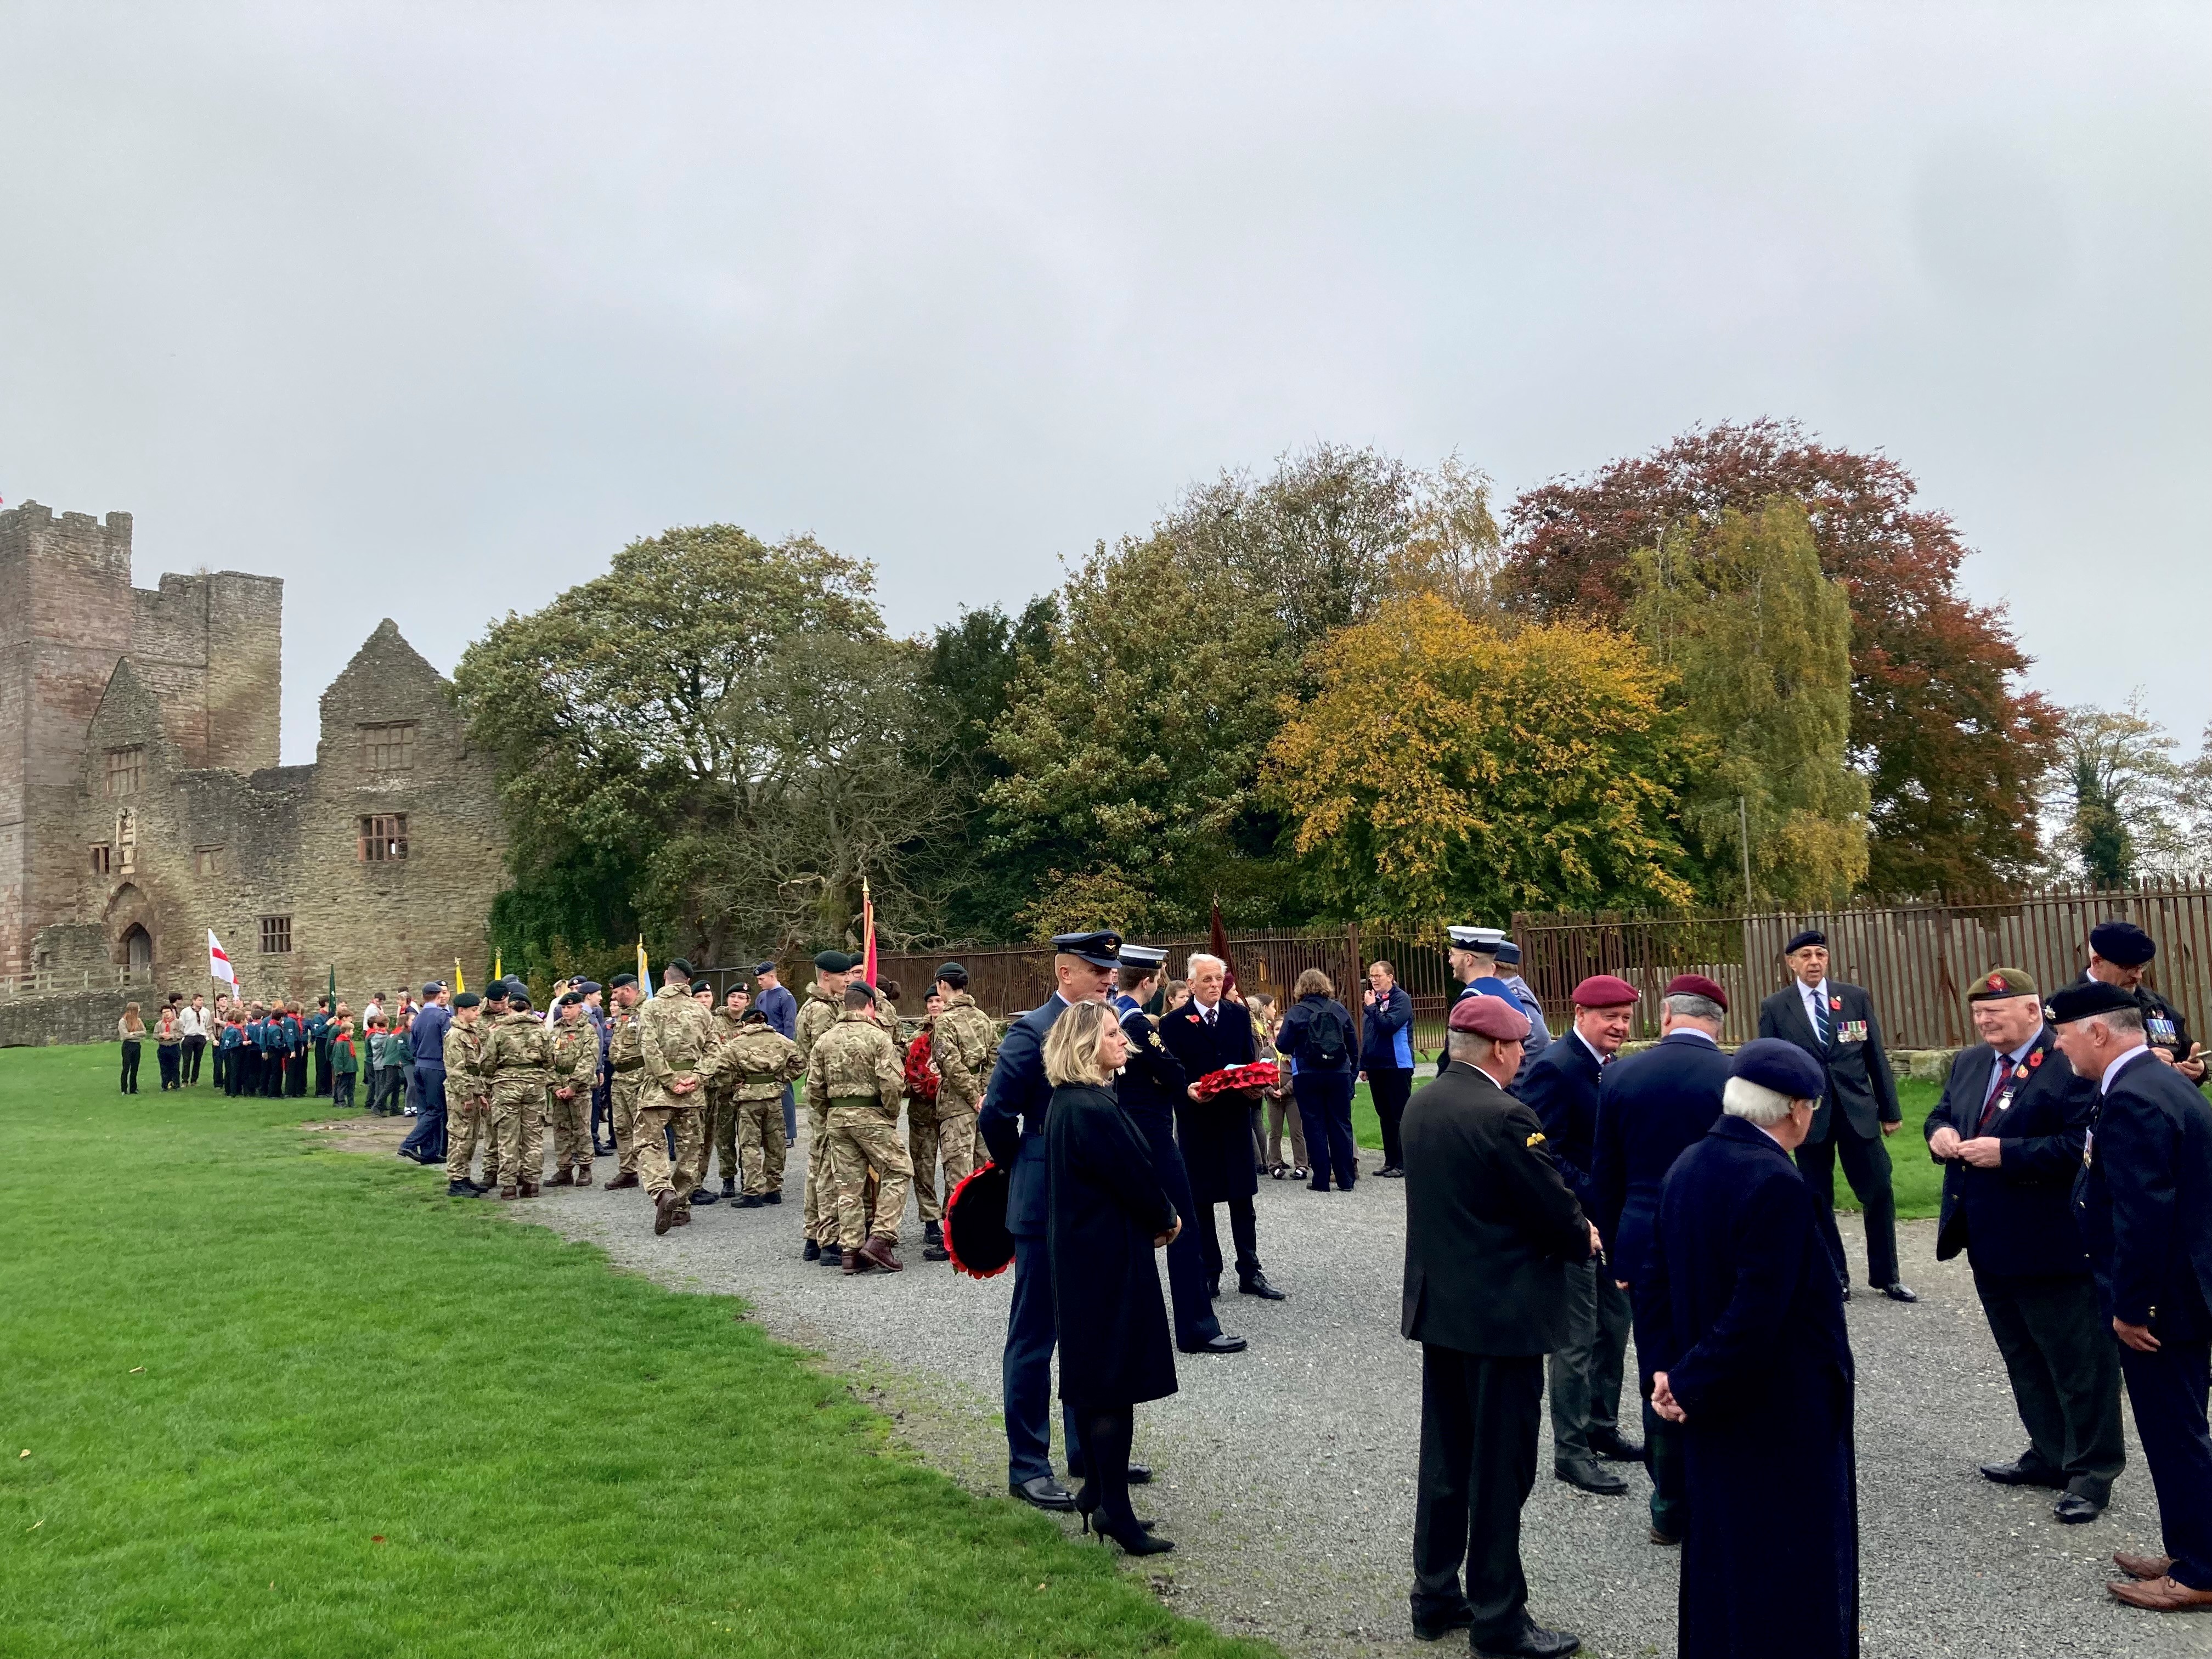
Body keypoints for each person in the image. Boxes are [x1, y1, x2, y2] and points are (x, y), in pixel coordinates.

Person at [1645, 1039, 1858, 1659]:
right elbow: (1758, 1315)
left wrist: (1667, 1369)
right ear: (1796, 1109)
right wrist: (1687, 1382)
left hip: (1710, 1399)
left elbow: (1653, 1277)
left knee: (1723, 1554)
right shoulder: (1773, 1184)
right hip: (1773, 1408)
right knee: (1786, 1566)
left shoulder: (1690, 1162)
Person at [1403, 993, 1593, 1659]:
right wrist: (1584, 1235)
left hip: (1443, 1310)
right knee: (1500, 1470)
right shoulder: (1508, 1116)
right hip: (1503, 1315)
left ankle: (1434, 1594)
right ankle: (1500, 1619)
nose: (1521, 1058)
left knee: (1447, 1460)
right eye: (1518, 1048)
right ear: (1502, 1051)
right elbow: (1553, 1209)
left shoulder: (1421, 1104)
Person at [1924, 967, 2120, 1524]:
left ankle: (2093, 1471)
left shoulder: (2068, 1063)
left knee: (2079, 1362)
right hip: (1987, 1239)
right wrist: (1938, 1135)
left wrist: (2008, 1154)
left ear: (2033, 1013)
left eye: (1997, 1012)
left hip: (2051, 1240)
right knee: (2024, 1357)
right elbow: (1943, 1112)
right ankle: (2049, 1453)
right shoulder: (1970, 1061)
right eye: (1980, 1013)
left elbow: (2083, 1144)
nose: (1985, 1021)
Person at [2052, 980, 2212, 1612]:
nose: (2060, 1047)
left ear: (2097, 1031)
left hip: (2163, 1303)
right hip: (2177, 1292)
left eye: (2063, 1035)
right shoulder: (2151, 1080)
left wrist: (2132, 1306)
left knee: (2176, 1433)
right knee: (2179, 1428)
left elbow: (2146, 1215)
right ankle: (2193, 1546)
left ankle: (2200, 1571)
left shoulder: (2137, 1097)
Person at [979, 931, 1124, 1510]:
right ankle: (1028, 1464)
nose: (1108, 977)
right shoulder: (1031, 1031)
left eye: (1110, 969)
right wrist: (1023, 1164)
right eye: (1097, 970)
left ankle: (1089, 1450)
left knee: (1089, 1331)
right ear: (1066, 973)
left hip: (1092, 1202)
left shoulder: (1110, 1024)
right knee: (1036, 1337)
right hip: (1043, 1200)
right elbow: (996, 1113)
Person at [1590, 973, 1733, 1547]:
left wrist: (1620, 1250)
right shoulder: (1735, 1076)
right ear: (1717, 1023)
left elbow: (1608, 1176)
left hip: (1645, 1237)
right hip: (1718, 1235)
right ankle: (1721, 1491)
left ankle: (1669, 1501)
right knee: (1720, 1354)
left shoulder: (1621, 1074)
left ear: (1667, 1016)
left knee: (1660, 1366)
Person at [1043, 998, 1181, 1557]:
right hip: (1105, 1259)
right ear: (1085, 1046)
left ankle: (1099, 1491)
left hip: (1088, 1253)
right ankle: (1114, 1512)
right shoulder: (1091, 1110)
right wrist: (1166, 1217)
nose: (1123, 1042)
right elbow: (1136, 1176)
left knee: (1102, 1376)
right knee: (1112, 1384)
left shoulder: (1070, 1103)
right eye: (1111, 1035)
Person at [1518, 975, 1641, 1498]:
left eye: (1626, 1017)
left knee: (1614, 1329)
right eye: (1609, 1016)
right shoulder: (1557, 1064)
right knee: (1574, 1339)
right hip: (1574, 1224)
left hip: (1611, 1225)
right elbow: (1541, 1151)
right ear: (1581, 1014)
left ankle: (1601, 1426)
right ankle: (1571, 1452)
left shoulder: (1608, 1066)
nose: (1619, 1025)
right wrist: (1591, 1200)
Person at [1757, 930, 1915, 1303]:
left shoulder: (1854, 998)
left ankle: (1887, 1276)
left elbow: (1875, 1055)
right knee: (1816, 1197)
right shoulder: (1776, 1007)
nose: (1814, 962)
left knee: (1878, 1190)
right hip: (1807, 1116)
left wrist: (1890, 1111)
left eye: (1821, 955)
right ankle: (1834, 1275)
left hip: (1857, 1111)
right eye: (1806, 956)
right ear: (1791, 963)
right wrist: (1776, 1120)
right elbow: (1769, 1064)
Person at [1114, 946, 1245, 1357]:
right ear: (1151, 981)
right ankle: (1196, 1327)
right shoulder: (1136, 1021)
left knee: (1131, 1226)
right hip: (1151, 1130)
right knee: (1181, 1223)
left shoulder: (1108, 1013)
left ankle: (1132, 1323)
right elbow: (1169, 1066)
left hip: (1121, 1127)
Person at [1159, 953, 1284, 1301]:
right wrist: (1188, 1095)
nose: (1215, 985)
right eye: (1208, 980)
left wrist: (1254, 1088)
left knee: (1243, 1198)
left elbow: (1248, 1058)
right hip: (1198, 1123)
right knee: (1202, 1202)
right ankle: (1209, 1271)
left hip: (1233, 1120)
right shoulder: (1173, 1023)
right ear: (1192, 985)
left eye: (1219, 979)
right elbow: (1171, 1075)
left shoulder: (1237, 1014)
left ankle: (1250, 1270)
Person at [807, 981, 912, 1273]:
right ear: (870, 1005)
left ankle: (851, 1251)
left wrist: (828, 1114)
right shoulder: (878, 1038)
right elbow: (892, 1082)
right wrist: (890, 1114)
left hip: (837, 1119)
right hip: (871, 1116)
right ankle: (881, 1237)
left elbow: (813, 1089)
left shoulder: (825, 1040)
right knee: (900, 1170)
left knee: (848, 1185)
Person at [634, 959, 721, 1233]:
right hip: (692, 1092)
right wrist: (696, 1078)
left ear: (665, 978)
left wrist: (670, 1080)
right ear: (687, 982)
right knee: (690, 1150)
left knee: (649, 1143)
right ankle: (681, 1205)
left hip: (659, 1089)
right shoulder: (703, 1013)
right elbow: (714, 1052)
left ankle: (662, 1192)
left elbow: (649, 1048)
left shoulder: (650, 1008)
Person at [2078, 919, 2209, 1084]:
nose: (2138, 976)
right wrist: (2139, 1065)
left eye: (2141, 967)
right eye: (2128, 968)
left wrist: (2198, 1070)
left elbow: (2184, 1053)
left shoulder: (2155, 1003)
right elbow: (2066, 1080)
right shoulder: (2068, 1009)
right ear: (2097, 962)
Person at [927, 962, 997, 1259]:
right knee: (984, 1169)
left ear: (943, 986)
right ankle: (988, 1231)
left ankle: (957, 1240)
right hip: (982, 1102)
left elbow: (950, 1065)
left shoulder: (945, 1021)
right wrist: (983, 1092)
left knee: (958, 1170)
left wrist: (971, 1095)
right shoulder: (983, 1018)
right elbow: (996, 1057)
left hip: (957, 1105)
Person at [796, 950, 855, 1265]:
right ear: (825, 976)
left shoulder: (830, 1005)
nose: (848, 980)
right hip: (828, 1099)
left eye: (849, 974)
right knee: (829, 1171)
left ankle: (813, 1237)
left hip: (825, 1097)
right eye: (842, 975)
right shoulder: (820, 1010)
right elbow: (829, 1058)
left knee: (818, 1168)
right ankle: (827, 1240)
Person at [1278, 968, 1359, 1192]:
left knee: (1314, 1125)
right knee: (1341, 1125)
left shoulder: (1297, 1012)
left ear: (1300, 988)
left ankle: (1321, 1180)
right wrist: (1350, 1075)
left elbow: (1282, 1045)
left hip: (1308, 1074)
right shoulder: (1339, 1009)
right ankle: (1346, 1179)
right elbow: (1353, 1046)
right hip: (1339, 1074)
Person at [719, 1007, 802, 1207]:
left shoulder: (735, 1044)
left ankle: (753, 1191)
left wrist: (738, 1082)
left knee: (750, 1146)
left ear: (746, 1024)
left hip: (748, 1101)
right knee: (775, 1144)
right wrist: (780, 1079)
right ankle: (774, 1189)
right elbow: (800, 1063)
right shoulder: (782, 1041)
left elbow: (720, 1070)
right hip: (774, 1099)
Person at [484, 983, 553, 1200]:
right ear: (529, 1009)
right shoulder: (542, 1031)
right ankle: (532, 1183)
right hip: (535, 1087)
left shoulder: (499, 1032)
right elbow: (551, 1060)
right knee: (533, 1136)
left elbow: (487, 1062)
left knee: (507, 1136)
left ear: (510, 1008)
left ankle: (508, 1186)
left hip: (506, 1088)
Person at [1361, 959, 1415, 1177]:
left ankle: (1403, 1162)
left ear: (1390, 977)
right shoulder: (1374, 1001)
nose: (1374, 979)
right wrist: (1364, 1064)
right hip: (1377, 1066)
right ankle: (1389, 1160)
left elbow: (1388, 1026)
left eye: (1378, 975)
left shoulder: (1400, 999)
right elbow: (1369, 1034)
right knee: (1384, 1114)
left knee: (1398, 1114)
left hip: (1397, 1064)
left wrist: (1372, 1008)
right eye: (1371, 976)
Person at [1436, 924, 1505, 1077]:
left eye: (1453, 955)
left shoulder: (1472, 1000)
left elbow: (1456, 1058)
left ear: (1468, 960)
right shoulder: (1506, 993)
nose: (1450, 961)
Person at [546, 991, 600, 1187]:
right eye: (564, 1008)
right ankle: (564, 1169)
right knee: (561, 1129)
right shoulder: (556, 1031)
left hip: (579, 1088)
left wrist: (573, 1086)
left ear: (579, 1007)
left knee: (581, 1129)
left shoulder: (588, 1030)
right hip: (559, 1087)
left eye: (570, 1007)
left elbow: (589, 1060)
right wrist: (554, 1086)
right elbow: (548, 1060)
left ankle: (585, 1168)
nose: (566, 1011)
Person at [440, 992, 490, 1197]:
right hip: (461, 1094)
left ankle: (464, 1177)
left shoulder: (470, 1033)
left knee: (470, 1138)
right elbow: (456, 1070)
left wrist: (480, 1092)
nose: (478, 1013)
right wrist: (467, 1096)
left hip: (473, 1089)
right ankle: (456, 1181)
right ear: (462, 1011)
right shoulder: (455, 1035)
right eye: (474, 1010)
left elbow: (474, 1068)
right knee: (460, 1136)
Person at [1253, 996, 1307, 1180]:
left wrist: (1285, 1090)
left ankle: (1301, 1164)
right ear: (1272, 1031)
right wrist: (1270, 1090)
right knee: (1275, 1132)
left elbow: (1298, 1075)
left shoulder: (1293, 1051)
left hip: (1292, 1097)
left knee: (1296, 1131)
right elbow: (1261, 1074)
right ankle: (1274, 1164)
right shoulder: (1266, 1052)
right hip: (1272, 1097)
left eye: (1283, 1029)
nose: (1280, 1032)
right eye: (1277, 1029)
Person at [399, 983, 452, 1166]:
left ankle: (429, 1152)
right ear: (439, 996)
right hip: (436, 1067)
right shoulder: (442, 1017)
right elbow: (448, 1044)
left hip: (419, 1065)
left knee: (425, 1110)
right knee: (436, 1110)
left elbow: (412, 1045)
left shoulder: (418, 1018)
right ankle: (410, 1143)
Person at [599, 975, 644, 1189]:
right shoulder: (623, 1014)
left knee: (644, 1128)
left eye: (616, 993)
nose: (613, 998)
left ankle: (655, 1175)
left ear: (628, 990)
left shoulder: (647, 1010)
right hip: (619, 1077)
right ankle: (628, 1171)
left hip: (639, 1077)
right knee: (621, 1127)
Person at [754, 960, 800, 1143]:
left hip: (780, 1049)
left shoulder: (786, 997)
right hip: (763, 1049)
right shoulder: (761, 997)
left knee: (785, 1090)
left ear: (772, 976)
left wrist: (787, 1052)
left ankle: (789, 1133)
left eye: (762, 979)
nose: (760, 983)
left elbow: (790, 1026)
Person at [329, 1017, 359, 1110]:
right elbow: (338, 1057)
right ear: (347, 1032)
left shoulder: (349, 1042)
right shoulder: (340, 1043)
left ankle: (351, 1102)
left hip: (351, 1068)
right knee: (341, 1086)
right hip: (344, 1069)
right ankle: (340, 1101)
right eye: (352, 1031)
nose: (353, 1032)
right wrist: (339, 1069)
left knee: (351, 1086)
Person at [179, 994, 208, 1086]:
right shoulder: (186, 1012)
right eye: (199, 1000)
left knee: (198, 1059)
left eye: (202, 1000)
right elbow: (181, 1024)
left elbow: (207, 1024)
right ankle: (185, 1080)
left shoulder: (205, 1012)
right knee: (187, 1060)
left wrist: (205, 1037)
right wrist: (183, 1037)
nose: (201, 1002)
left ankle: (194, 1080)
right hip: (189, 1037)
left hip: (200, 1037)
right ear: (194, 1001)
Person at [117, 1003, 145, 1093]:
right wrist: (136, 1034)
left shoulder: (139, 1021)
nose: (140, 1011)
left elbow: (144, 1032)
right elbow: (125, 1036)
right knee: (126, 1067)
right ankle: (124, 1089)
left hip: (137, 1045)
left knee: (135, 1067)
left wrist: (133, 1034)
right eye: (138, 1009)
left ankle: (134, 1089)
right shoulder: (123, 1021)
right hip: (127, 1046)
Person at [155, 1002, 183, 1090]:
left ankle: (176, 1085)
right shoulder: (159, 1024)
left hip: (174, 1047)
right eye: (164, 1012)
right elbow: (154, 1036)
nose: (166, 1014)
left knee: (175, 1067)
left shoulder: (178, 1023)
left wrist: (172, 1036)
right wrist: (161, 1036)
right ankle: (165, 1086)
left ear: (172, 1012)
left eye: (168, 1011)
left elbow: (182, 1033)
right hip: (163, 1047)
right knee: (164, 1068)